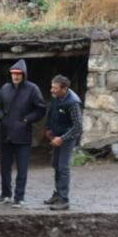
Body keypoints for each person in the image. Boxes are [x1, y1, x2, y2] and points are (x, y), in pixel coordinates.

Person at [0, 59, 46, 207]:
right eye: (13, 74)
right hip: (6, 134)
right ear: (10, 74)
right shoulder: (4, 89)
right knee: (4, 167)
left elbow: (41, 109)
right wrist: (0, 116)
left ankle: (19, 197)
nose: (16, 76)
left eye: (18, 74)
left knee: (22, 168)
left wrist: (27, 119)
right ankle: (5, 194)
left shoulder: (32, 89)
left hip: (23, 135)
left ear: (23, 75)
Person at [44, 75, 83, 211]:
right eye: (52, 87)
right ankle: (57, 194)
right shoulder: (56, 97)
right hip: (56, 135)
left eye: (55, 88)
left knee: (63, 167)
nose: (52, 90)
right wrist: (48, 128)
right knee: (55, 164)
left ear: (64, 89)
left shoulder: (73, 103)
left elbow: (78, 127)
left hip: (68, 137)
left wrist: (62, 138)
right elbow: (51, 113)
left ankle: (64, 200)